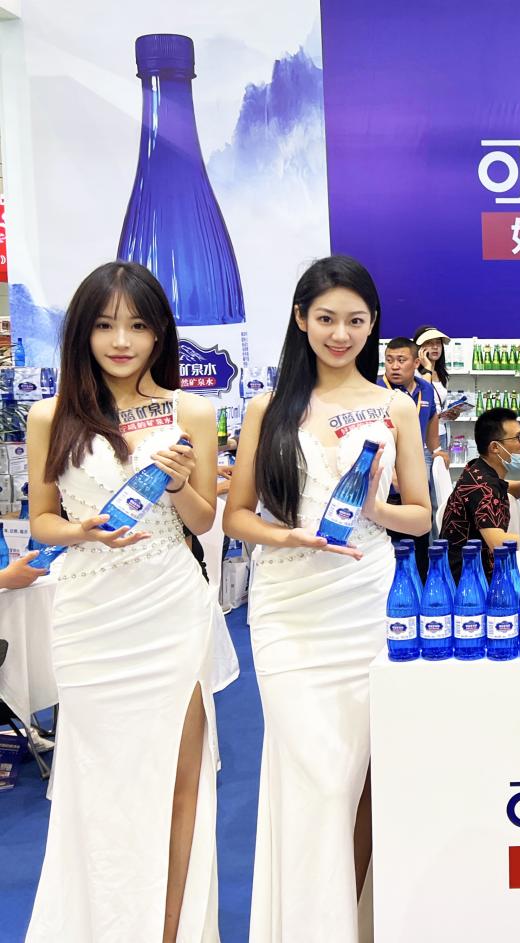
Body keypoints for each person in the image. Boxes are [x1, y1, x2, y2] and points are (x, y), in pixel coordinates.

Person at [224, 256, 431, 941]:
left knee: (355, 777)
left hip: (364, 602)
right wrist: (290, 536)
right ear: (300, 320)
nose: (340, 334)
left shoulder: (395, 406)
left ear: (373, 326)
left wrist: (376, 508)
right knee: (313, 775)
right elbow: (238, 516)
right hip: (288, 608)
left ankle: (353, 922)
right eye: (326, 319)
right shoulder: (269, 407)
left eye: (355, 320)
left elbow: (421, 516)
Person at [25, 261, 221, 942]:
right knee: (98, 782)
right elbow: (42, 521)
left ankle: (169, 931)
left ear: (159, 333)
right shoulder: (51, 415)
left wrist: (180, 484)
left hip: (170, 607)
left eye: (137, 325)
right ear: (82, 331)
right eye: (106, 325)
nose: (121, 341)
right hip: (91, 614)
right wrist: (82, 531)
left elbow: (203, 520)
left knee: (179, 778)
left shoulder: (190, 411)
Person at [440, 407, 520, 582]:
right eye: (518, 438)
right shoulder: (482, 487)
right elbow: (498, 542)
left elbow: (498, 487)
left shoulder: (478, 470)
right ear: (495, 447)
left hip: (470, 571)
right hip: (469, 582)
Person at [381, 336, 442, 577]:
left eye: (401, 360)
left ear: (416, 362)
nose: (394, 366)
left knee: (420, 549)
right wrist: (391, 472)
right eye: (389, 360)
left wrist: (436, 450)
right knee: (391, 554)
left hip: (416, 481)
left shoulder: (425, 389)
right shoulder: (376, 390)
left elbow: (432, 417)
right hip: (387, 485)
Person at [414, 324, 459, 448]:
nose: (435, 347)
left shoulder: (442, 374)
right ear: (420, 348)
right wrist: (427, 368)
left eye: (438, 343)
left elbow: (438, 406)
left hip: (441, 434)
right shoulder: (414, 373)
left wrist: (451, 414)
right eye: (429, 343)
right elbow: (424, 400)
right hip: (422, 436)